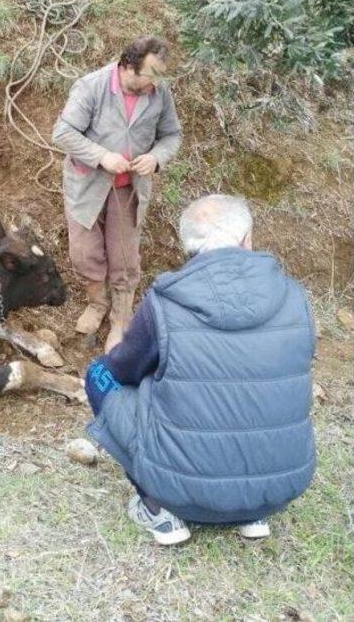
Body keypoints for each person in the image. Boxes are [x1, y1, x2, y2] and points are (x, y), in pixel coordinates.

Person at [85, 194, 316, 546]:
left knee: (99, 374)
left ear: (188, 248)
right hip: (278, 489)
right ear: (246, 239)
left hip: (183, 494)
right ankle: (252, 514)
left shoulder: (166, 301)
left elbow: (123, 371)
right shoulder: (295, 296)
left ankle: (157, 510)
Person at [52, 36, 182, 351]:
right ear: (126, 66)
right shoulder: (91, 87)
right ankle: (97, 304)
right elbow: (63, 133)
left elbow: (172, 135)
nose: (154, 84)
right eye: (148, 76)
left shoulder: (159, 94)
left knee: (124, 258)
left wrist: (156, 158)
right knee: (84, 253)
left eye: (158, 77)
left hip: (128, 190)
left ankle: (120, 320)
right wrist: (102, 156)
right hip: (88, 185)